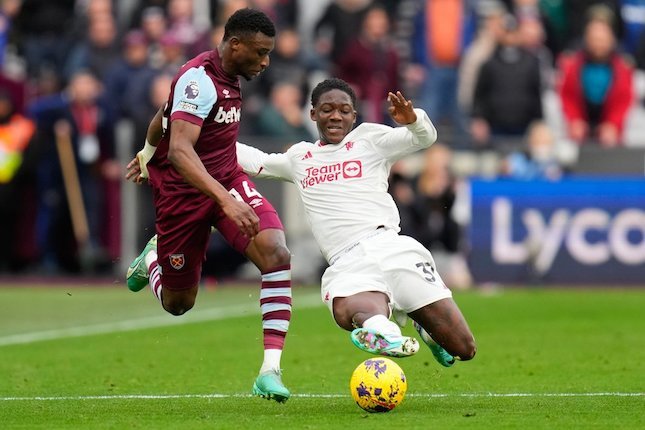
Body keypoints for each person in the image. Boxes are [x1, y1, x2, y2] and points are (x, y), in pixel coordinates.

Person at [237, 78, 476, 366]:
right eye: (326, 109)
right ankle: (383, 333)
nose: (335, 116)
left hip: (392, 248)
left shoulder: (370, 139)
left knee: (464, 348)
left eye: (344, 110)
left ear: (354, 115)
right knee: (345, 310)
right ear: (312, 114)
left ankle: (421, 325)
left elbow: (424, 138)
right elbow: (255, 161)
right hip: (348, 261)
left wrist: (413, 120)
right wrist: (211, 136)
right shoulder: (300, 157)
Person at [124, 8, 292, 403]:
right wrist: (222, 202)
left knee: (276, 253)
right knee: (178, 304)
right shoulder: (198, 80)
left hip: (227, 181)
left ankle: (270, 370)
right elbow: (181, 151)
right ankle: (152, 261)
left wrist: (148, 152)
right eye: (261, 52)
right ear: (235, 45)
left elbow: (163, 116)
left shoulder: (230, 75)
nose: (266, 62)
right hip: (184, 195)